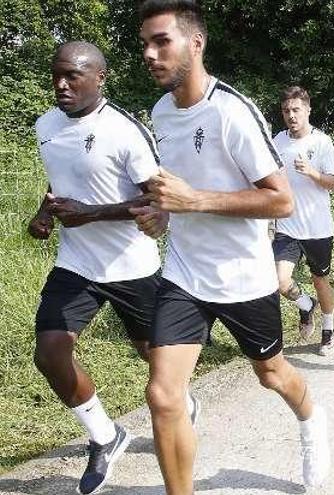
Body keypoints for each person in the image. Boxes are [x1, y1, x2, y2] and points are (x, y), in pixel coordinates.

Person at [135, 1, 329, 491]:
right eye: (145, 44)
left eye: (162, 41)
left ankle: (311, 422)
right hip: (184, 272)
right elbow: (180, 189)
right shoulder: (160, 112)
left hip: (243, 276)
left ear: (195, 43)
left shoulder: (232, 113)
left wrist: (194, 200)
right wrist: (164, 209)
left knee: (271, 373)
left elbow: (281, 200)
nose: (150, 53)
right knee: (162, 394)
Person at [29, 41, 172, 495]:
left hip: (132, 266)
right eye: (56, 75)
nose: (61, 84)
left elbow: (157, 200)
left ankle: (178, 401)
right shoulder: (45, 126)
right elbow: (61, 179)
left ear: (100, 78)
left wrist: (89, 213)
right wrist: (47, 213)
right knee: (49, 352)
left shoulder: (125, 131)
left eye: (72, 75)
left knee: (157, 360)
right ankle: (105, 437)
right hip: (76, 264)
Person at [272, 86, 334, 356]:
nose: (291, 115)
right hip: (287, 225)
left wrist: (312, 172)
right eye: (287, 111)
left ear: (308, 110)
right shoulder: (277, 140)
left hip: (317, 227)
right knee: (278, 280)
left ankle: (328, 329)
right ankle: (305, 305)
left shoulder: (321, 142)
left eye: (296, 110)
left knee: (320, 279)